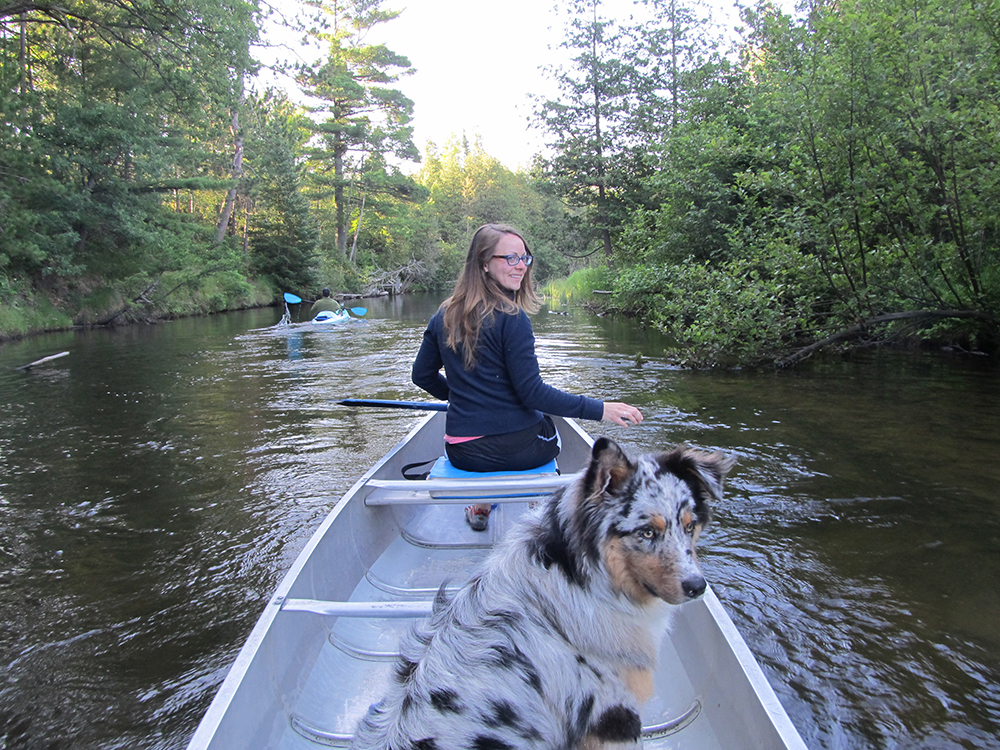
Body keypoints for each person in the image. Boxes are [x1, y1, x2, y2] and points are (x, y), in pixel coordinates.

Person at [411, 223, 643, 530]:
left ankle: (480, 505)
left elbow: (422, 376)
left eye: (524, 258)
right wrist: (601, 409)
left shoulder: (443, 316)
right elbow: (533, 394)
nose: (521, 266)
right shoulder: (512, 317)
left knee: (534, 415)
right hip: (521, 452)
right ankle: (538, 505)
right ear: (483, 263)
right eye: (510, 258)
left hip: (464, 453)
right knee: (550, 421)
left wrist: (460, 398)